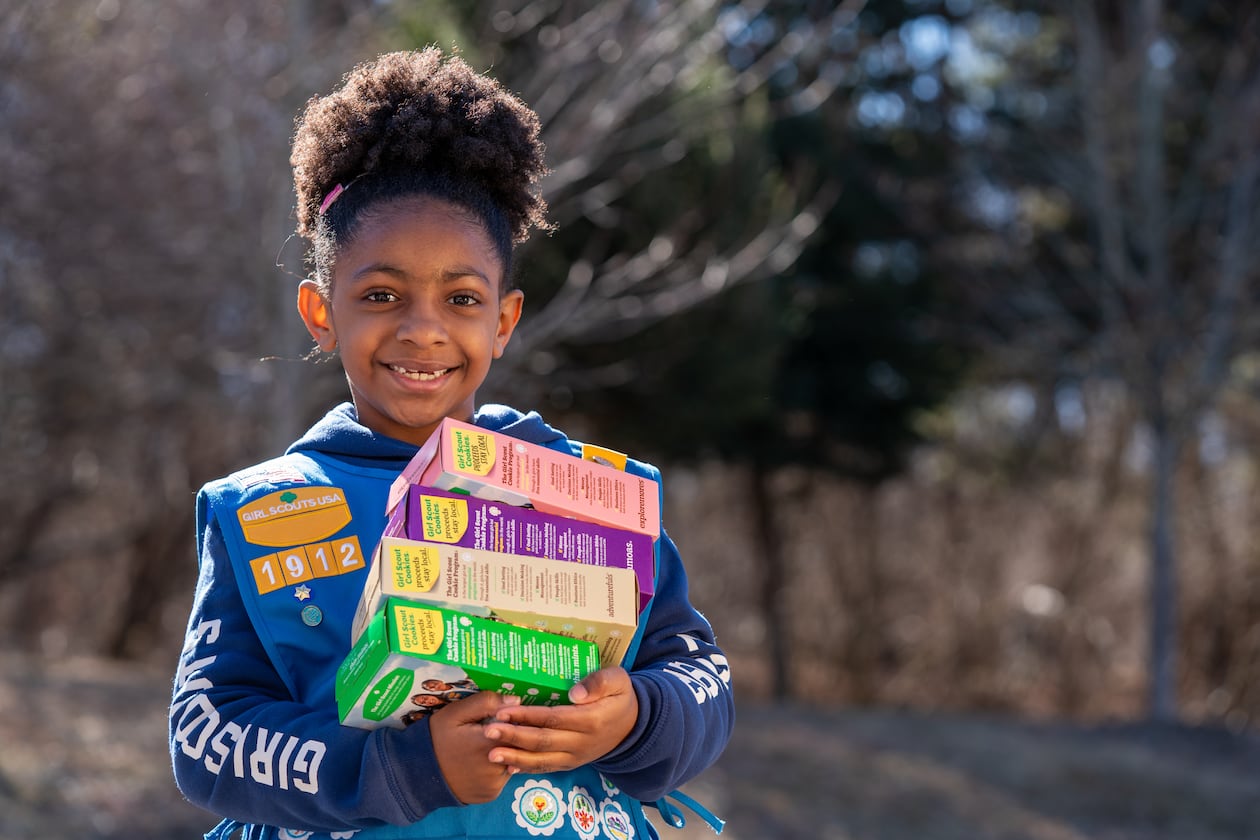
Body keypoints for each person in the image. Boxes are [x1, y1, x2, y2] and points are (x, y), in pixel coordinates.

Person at [169, 48, 733, 840]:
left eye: (462, 298)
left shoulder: (589, 495)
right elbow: (206, 740)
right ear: (322, 313)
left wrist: (637, 715)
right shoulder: (261, 514)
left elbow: (700, 675)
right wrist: (403, 769)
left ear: (503, 321)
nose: (423, 329)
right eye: (381, 294)